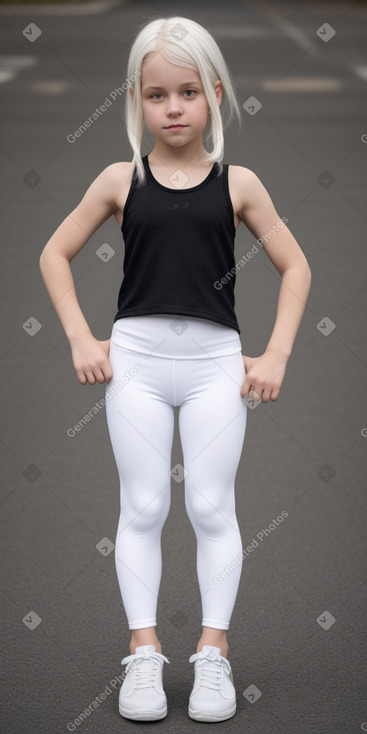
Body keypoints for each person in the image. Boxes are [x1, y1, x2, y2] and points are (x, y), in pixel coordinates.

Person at [39, 15, 311, 724]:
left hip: (215, 366)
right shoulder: (118, 180)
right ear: (136, 99)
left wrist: (275, 351)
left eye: (187, 92)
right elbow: (53, 252)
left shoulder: (239, 184)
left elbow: (295, 266)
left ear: (214, 94)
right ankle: (143, 651)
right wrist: (79, 338)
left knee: (212, 507)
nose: (173, 108)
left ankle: (213, 652)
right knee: (144, 507)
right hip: (136, 364)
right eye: (156, 95)